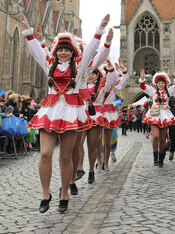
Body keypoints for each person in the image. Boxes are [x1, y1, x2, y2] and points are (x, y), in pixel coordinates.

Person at [21, 12, 112, 213]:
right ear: (56, 52)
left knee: (65, 156)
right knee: (45, 153)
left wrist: (100, 29)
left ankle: (64, 193)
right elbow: (36, 51)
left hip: (71, 112)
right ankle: (46, 194)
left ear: (72, 52)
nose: (63, 53)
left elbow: (91, 54)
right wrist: (28, 31)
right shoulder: (49, 64)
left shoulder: (79, 68)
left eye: (66, 50)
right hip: (51, 110)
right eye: (60, 50)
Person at [139, 68, 175, 167]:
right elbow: (142, 86)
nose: (160, 85)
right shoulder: (152, 90)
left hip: (165, 115)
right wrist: (142, 78)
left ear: (165, 83)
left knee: (162, 139)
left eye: (162, 83)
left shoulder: (169, 91)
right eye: (159, 83)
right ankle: (155, 155)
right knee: (156, 136)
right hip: (154, 114)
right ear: (156, 84)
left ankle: (161, 157)